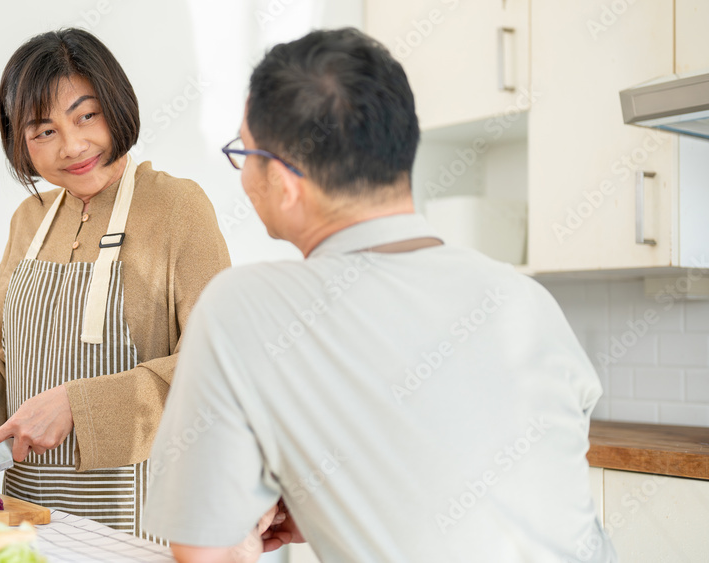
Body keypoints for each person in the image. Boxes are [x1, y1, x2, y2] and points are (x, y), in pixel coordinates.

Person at [143, 28, 615, 562]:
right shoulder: (524, 299)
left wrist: (244, 540)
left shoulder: (244, 305)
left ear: (286, 181)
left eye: (246, 153)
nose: (244, 174)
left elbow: (206, 553)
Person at [0, 28, 230, 539]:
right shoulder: (29, 219)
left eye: (87, 115)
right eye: (43, 131)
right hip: (26, 518)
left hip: (141, 523)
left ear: (117, 105)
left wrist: (78, 405)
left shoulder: (178, 207)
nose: (73, 145)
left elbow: (218, 367)